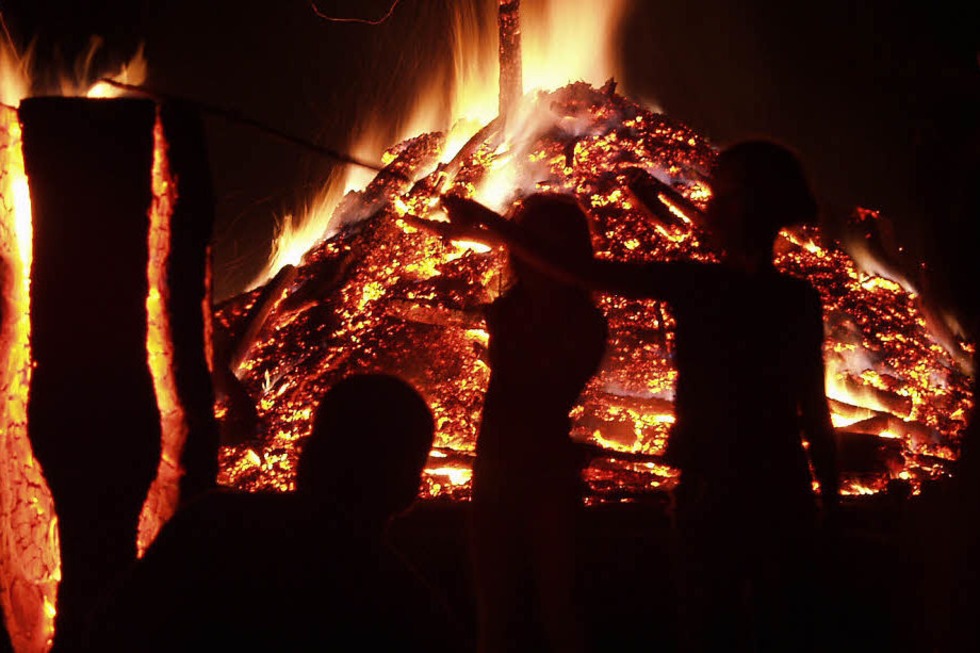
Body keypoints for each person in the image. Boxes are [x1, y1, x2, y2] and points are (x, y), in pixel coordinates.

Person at [443, 140, 840, 652]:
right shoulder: (796, 300)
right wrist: (828, 496)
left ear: (745, 205)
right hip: (783, 491)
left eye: (720, 193)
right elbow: (814, 407)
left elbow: (583, 271)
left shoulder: (698, 285)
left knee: (711, 627)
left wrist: (487, 221)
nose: (708, 204)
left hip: (714, 492)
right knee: (777, 627)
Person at [78, 373, 463, 652]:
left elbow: (109, 631)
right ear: (409, 493)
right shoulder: (412, 614)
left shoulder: (213, 526)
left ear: (308, 458)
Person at [468, 194, 608, 653]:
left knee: (554, 605)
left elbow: (536, 385)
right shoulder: (514, 312)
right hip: (499, 470)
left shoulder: (580, 322)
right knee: (497, 606)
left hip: (539, 471)